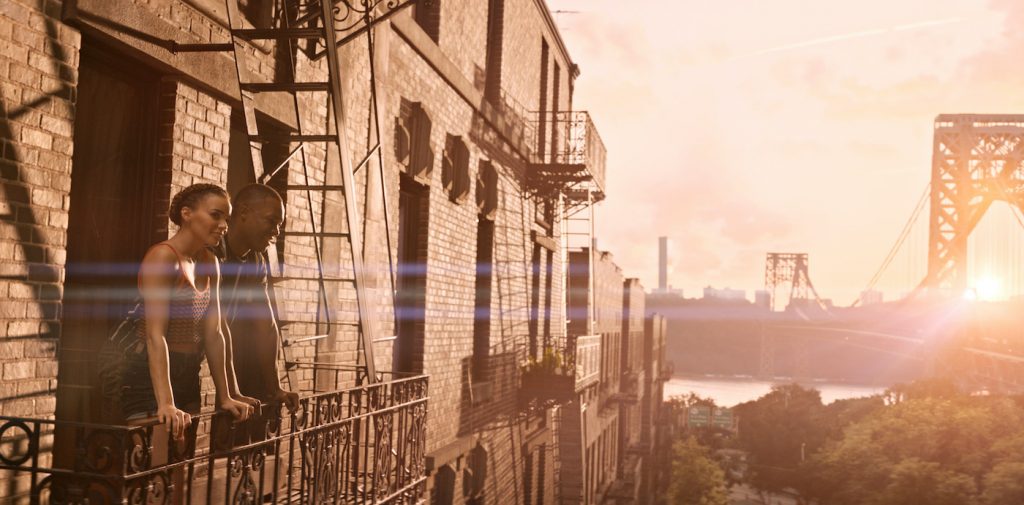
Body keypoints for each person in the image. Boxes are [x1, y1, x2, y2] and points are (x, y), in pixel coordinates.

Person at [121, 183, 254, 444]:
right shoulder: (162, 257)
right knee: (152, 468)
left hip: (188, 373)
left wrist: (226, 394)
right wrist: (166, 403)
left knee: (179, 467)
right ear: (187, 214)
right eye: (216, 215)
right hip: (148, 376)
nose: (224, 225)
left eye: (226, 218)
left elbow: (215, 333)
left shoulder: (210, 261)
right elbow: (154, 336)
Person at [215, 183, 299, 414]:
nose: (277, 231)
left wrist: (275, 388)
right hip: (153, 361)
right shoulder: (211, 251)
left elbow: (267, 327)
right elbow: (215, 328)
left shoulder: (256, 260)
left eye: (279, 225)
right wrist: (230, 392)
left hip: (187, 366)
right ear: (242, 212)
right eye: (271, 221)